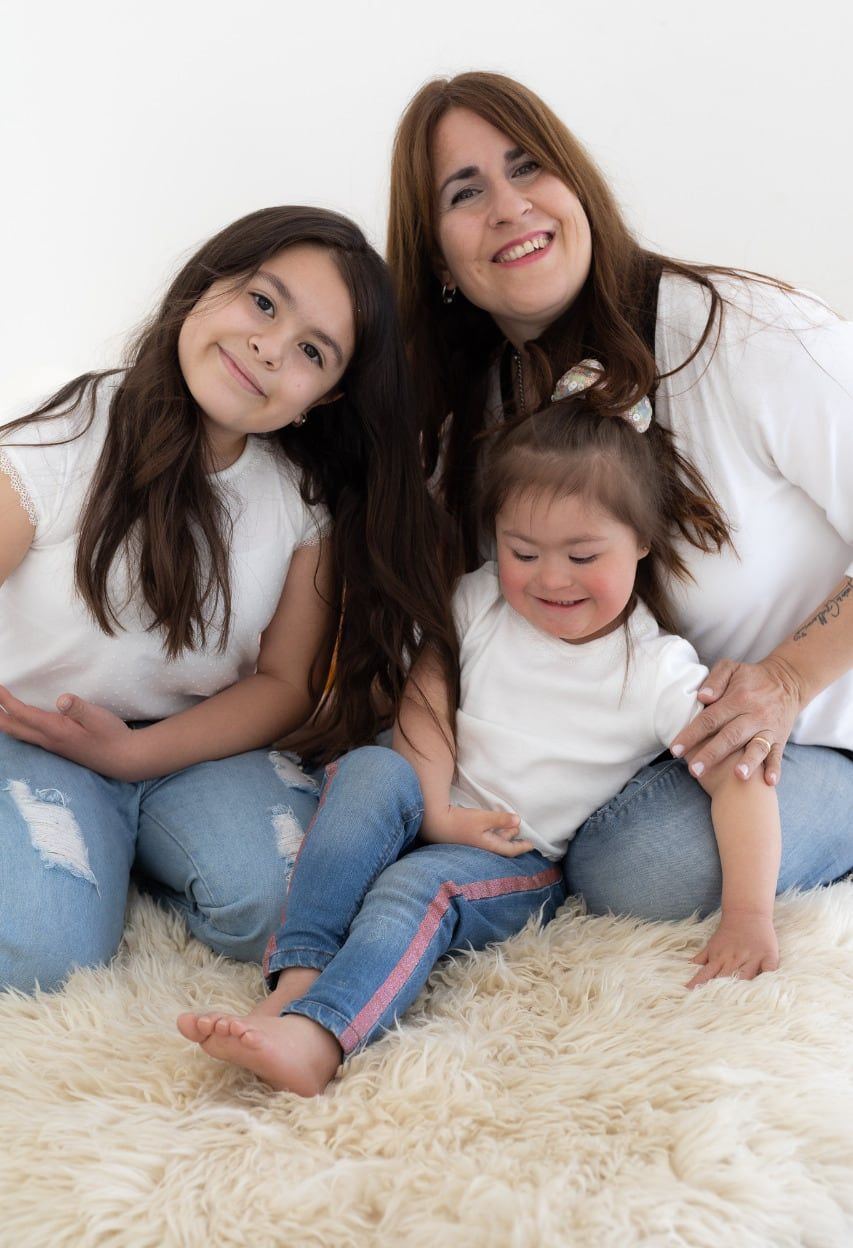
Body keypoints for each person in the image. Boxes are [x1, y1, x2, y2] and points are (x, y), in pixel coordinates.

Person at [177, 384, 782, 1095]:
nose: (551, 579)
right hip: (428, 805)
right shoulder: (480, 601)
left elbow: (737, 781)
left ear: (641, 542)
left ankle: (321, 1036)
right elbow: (428, 700)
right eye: (523, 551)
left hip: (515, 859)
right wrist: (432, 806)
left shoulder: (654, 670)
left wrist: (748, 915)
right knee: (370, 768)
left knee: (416, 885)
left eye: (583, 556)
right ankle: (298, 976)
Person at [385, 70, 853, 921]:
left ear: (578, 185)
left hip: (820, 734)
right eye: (465, 191)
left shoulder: (742, 333)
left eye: (528, 167)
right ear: (438, 259)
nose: (507, 206)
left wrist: (786, 679)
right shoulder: (473, 416)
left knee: (636, 866)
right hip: (654, 747)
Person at [0, 206, 457, 994]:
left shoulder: (297, 500)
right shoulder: (68, 434)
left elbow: (283, 684)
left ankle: (140, 836)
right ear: (206, 286)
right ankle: (89, 842)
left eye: (311, 351)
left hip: (196, 748)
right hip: (37, 732)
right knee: (43, 953)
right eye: (263, 303)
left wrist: (136, 755)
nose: (269, 348)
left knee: (294, 906)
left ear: (325, 396)